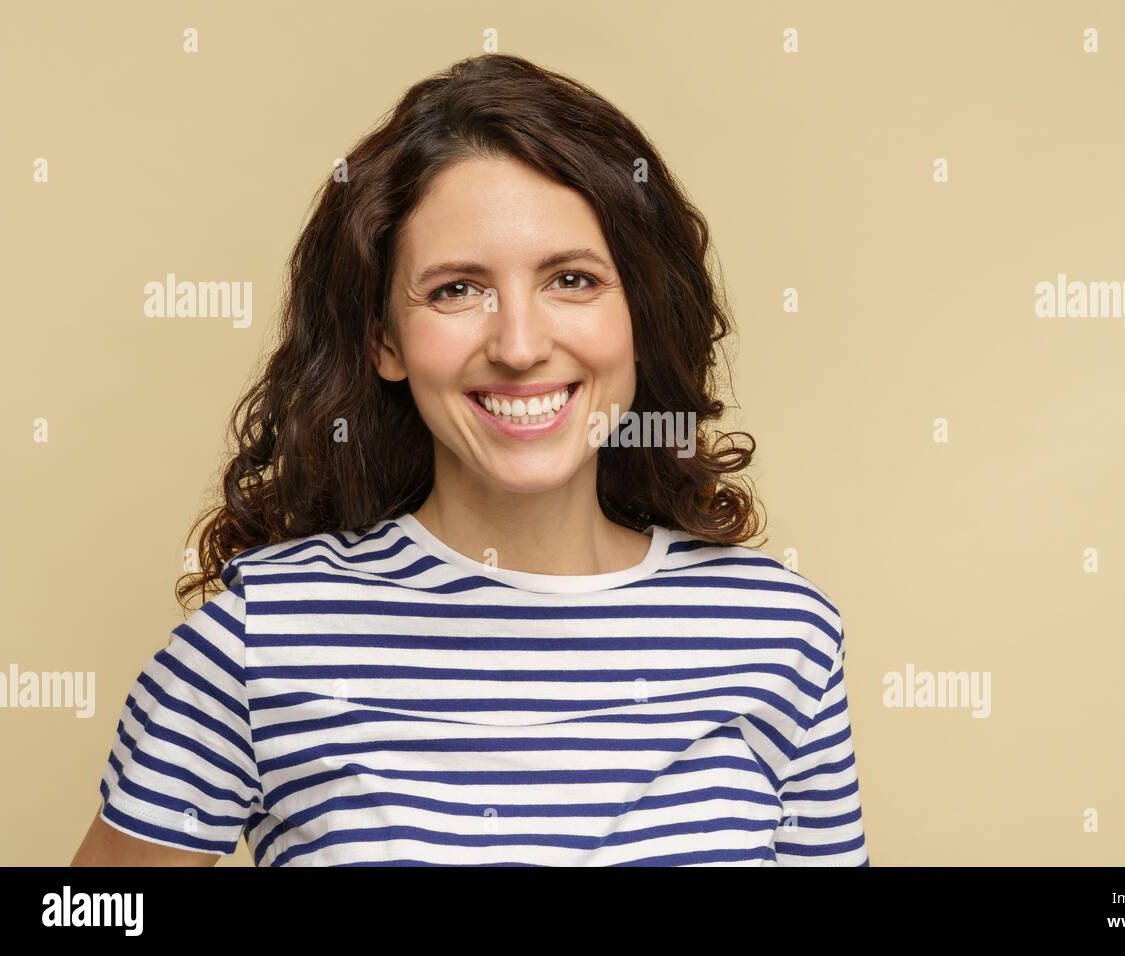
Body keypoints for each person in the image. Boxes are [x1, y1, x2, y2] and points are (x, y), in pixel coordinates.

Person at [71, 52, 868, 867]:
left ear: (640, 314)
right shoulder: (263, 638)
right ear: (385, 339)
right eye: (456, 289)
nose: (519, 346)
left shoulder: (780, 634)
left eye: (572, 279)